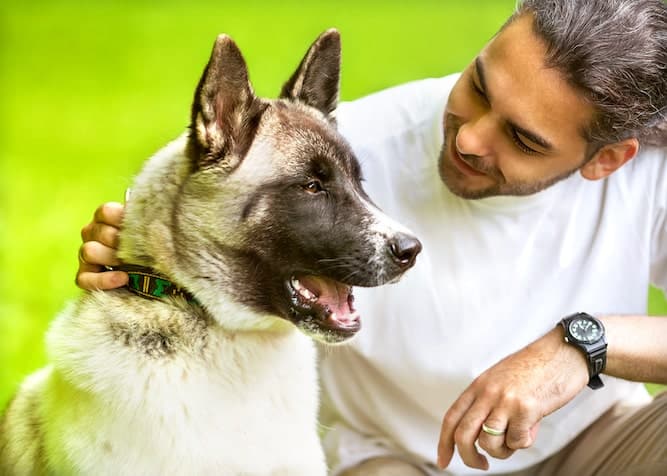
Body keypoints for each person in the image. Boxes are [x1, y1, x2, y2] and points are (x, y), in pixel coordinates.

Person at [76, 0, 667, 474]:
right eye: (479, 88)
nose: (469, 140)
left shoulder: (650, 176)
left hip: (597, 444)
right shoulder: (338, 148)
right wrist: (137, 249)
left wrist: (585, 342)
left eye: (523, 139)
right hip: (396, 459)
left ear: (607, 158)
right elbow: (204, 209)